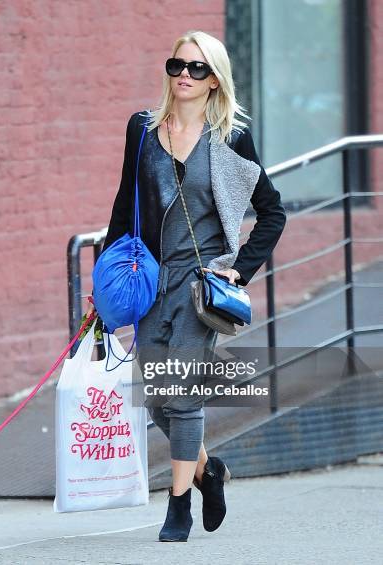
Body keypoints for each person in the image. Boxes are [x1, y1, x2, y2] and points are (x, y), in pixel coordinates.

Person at [85, 30, 286, 542]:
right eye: (178, 65)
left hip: (201, 287)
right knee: (155, 397)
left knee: (182, 394)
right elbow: (123, 203)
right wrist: (106, 281)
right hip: (150, 278)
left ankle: (177, 506)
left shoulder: (232, 139)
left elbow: (271, 212)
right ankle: (206, 472)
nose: (185, 76)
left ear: (215, 80)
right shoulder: (144, 130)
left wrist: (237, 269)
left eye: (198, 69)